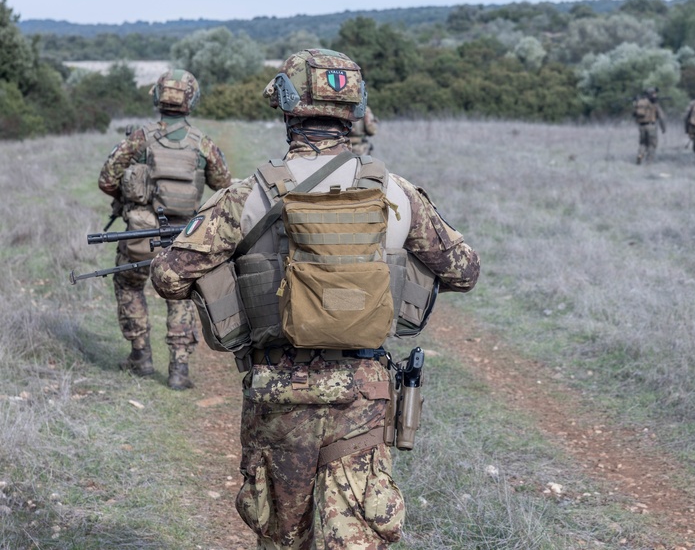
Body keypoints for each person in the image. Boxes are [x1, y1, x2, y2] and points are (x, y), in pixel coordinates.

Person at [149, 49, 480, 548]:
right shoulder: (396, 192)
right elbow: (464, 271)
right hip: (364, 394)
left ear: (285, 104)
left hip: (278, 393)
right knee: (354, 534)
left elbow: (170, 276)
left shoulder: (247, 195)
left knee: (282, 535)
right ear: (354, 108)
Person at [98, 69, 232, 389]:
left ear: (158, 97)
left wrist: (129, 196)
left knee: (130, 286)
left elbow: (106, 178)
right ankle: (179, 370)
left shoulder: (140, 138)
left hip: (139, 232)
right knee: (181, 296)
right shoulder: (203, 144)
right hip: (184, 235)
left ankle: (140, 356)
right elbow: (223, 184)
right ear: (192, 100)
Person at [631, 86, 667, 164]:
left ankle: (640, 155)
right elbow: (661, 116)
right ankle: (649, 162)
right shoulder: (654, 104)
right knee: (652, 144)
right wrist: (663, 128)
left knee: (643, 143)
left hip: (641, 126)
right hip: (651, 126)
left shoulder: (640, 103)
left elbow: (634, 114)